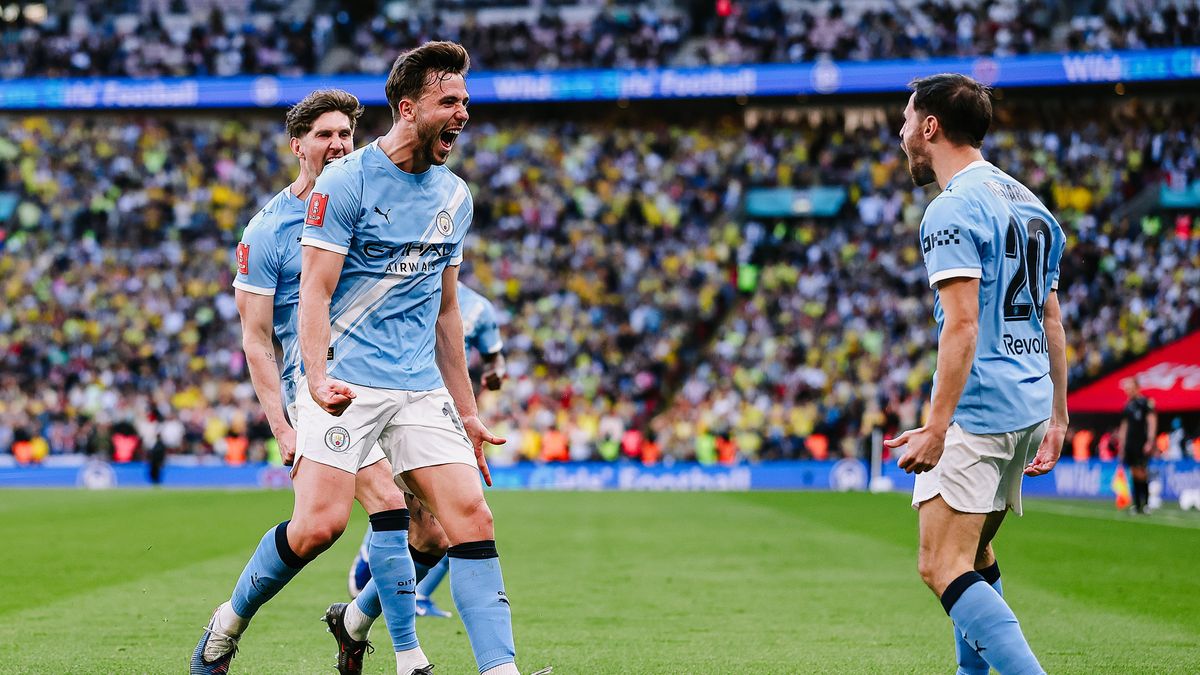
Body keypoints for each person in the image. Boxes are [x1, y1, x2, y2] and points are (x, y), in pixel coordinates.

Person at [298, 41, 543, 675]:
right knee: (315, 531)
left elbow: (446, 314)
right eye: (450, 101)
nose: (465, 113)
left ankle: (499, 671)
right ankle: (228, 626)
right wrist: (317, 378)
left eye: (467, 100)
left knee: (469, 517)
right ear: (408, 107)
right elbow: (316, 290)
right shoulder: (344, 183)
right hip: (348, 383)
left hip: (417, 388)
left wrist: (467, 412)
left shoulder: (455, 196)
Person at [192, 89, 432, 675]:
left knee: (437, 530)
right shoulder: (269, 230)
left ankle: (353, 624)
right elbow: (256, 338)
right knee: (341, 521)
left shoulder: (373, 197)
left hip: (389, 378)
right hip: (323, 388)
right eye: (323, 135)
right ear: (297, 145)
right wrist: (282, 426)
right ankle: (229, 626)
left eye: (346, 134)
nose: (337, 145)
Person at [885, 73, 1067, 675]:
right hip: (1029, 403)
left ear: (930, 127)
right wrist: (1060, 416)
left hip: (980, 408)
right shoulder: (1031, 205)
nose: (902, 132)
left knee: (941, 564)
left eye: (907, 120)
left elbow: (961, 325)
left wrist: (937, 428)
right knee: (976, 551)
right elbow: (1050, 317)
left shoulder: (951, 208)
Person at [346, 280, 506, 620]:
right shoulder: (403, 283)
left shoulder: (468, 305)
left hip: (447, 411)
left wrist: (492, 376)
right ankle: (372, 581)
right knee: (413, 505)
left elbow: (495, 359)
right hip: (402, 404)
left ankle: (393, 591)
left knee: (457, 512)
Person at [1117, 378, 1157, 514]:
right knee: (1133, 473)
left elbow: (1152, 421)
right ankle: (1137, 504)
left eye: (1130, 388)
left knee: (1142, 472)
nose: (1127, 391)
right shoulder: (1128, 405)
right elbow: (1124, 426)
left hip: (1141, 442)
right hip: (1130, 444)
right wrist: (1122, 445)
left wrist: (1150, 441)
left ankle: (1145, 503)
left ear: (1137, 388)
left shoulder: (1145, 403)